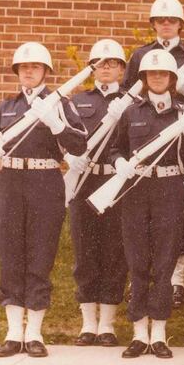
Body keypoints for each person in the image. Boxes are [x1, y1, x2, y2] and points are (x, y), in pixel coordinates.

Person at [0, 42, 87, 357]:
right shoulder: (6, 107)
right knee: (10, 253)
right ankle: (13, 332)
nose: (28, 71)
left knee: (40, 253)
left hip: (45, 181)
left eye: (35, 67)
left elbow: (80, 146)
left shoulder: (60, 104)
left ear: (46, 72)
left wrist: (56, 123)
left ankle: (34, 332)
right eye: (23, 68)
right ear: (18, 72)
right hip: (10, 182)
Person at [109, 49, 184, 359]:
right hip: (135, 189)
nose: (157, 78)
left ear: (173, 79)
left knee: (164, 260)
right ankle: (138, 331)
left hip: (169, 189)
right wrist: (120, 161)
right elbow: (115, 148)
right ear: (144, 79)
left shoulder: (183, 112)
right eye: (151, 74)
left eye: (163, 74)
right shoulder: (131, 112)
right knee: (136, 260)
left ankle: (159, 332)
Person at [66, 39, 130, 347]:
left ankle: (107, 324)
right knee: (85, 252)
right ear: (92, 68)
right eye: (100, 63)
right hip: (84, 183)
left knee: (114, 253)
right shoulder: (78, 102)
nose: (106, 68)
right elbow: (63, 139)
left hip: (115, 185)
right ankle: (87, 323)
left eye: (112, 63)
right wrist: (69, 158)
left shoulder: (131, 103)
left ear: (121, 69)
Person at [122, 0, 184, 98]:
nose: (166, 23)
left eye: (172, 19)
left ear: (180, 24)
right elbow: (125, 90)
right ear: (153, 24)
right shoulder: (140, 55)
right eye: (160, 19)